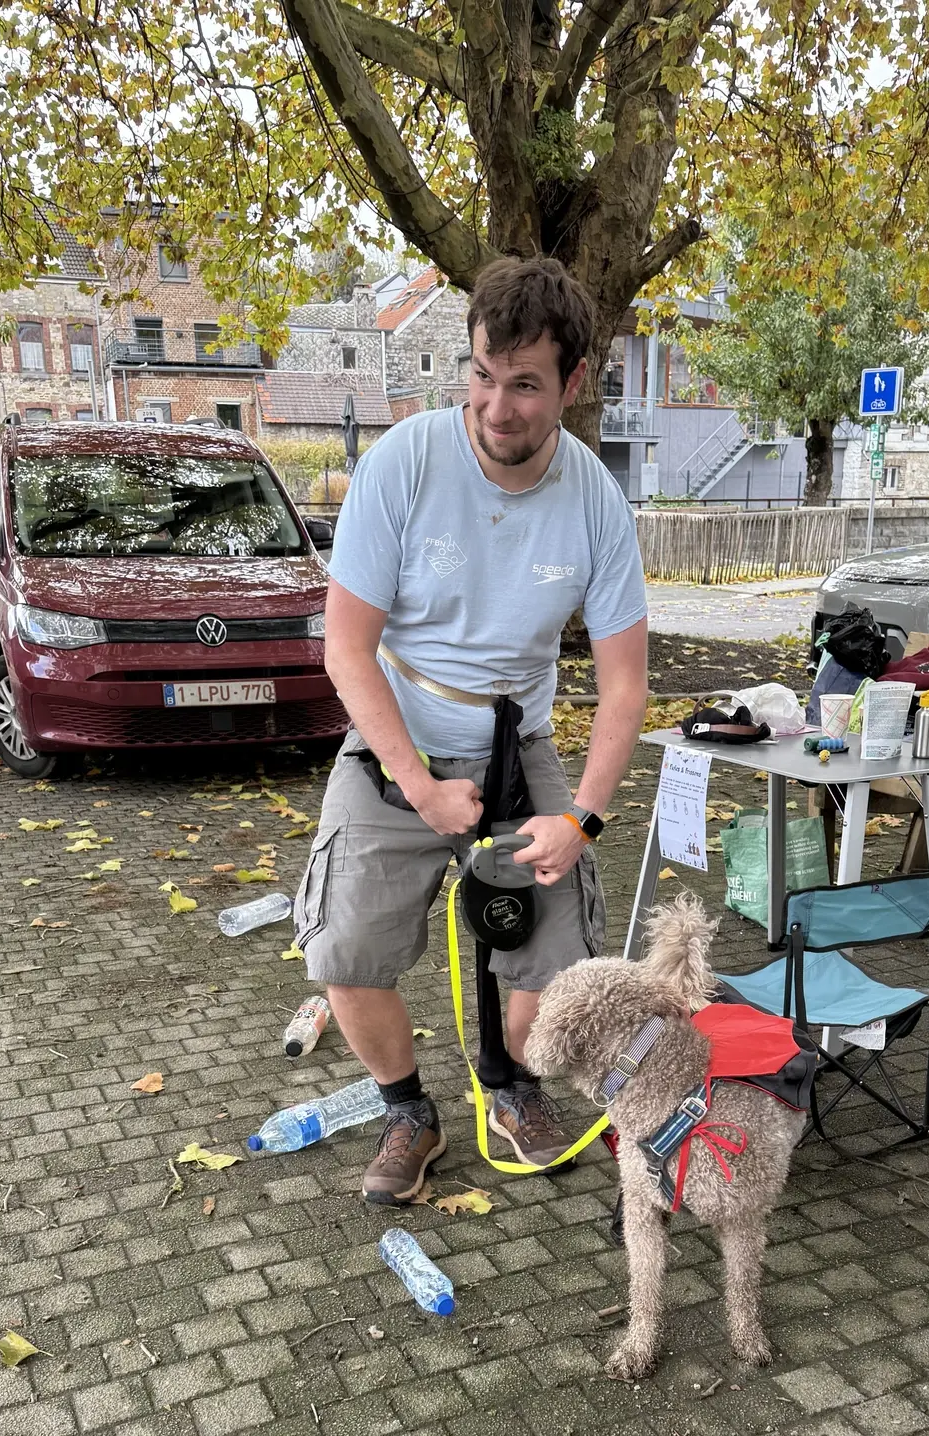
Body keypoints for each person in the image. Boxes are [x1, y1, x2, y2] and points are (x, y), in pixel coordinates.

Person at [295, 256, 649, 1204]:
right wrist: (417, 784)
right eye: (484, 375)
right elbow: (346, 649)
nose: (498, 407)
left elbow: (623, 690)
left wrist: (580, 821)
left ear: (574, 385)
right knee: (344, 955)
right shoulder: (401, 466)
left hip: (514, 746)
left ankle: (510, 1086)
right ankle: (409, 1111)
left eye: (527, 384)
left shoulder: (597, 504)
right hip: (393, 749)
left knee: (548, 977)